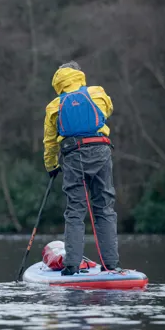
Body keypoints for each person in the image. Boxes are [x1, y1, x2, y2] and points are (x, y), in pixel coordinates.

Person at [43, 61, 120, 275]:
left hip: (73, 155)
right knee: (104, 207)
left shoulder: (54, 106)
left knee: (75, 210)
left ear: (58, 82)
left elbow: (50, 142)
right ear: (79, 75)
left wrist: (51, 165)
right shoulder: (97, 93)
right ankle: (111, 265)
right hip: (101, 150)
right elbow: (107, 111)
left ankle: (71, 266)